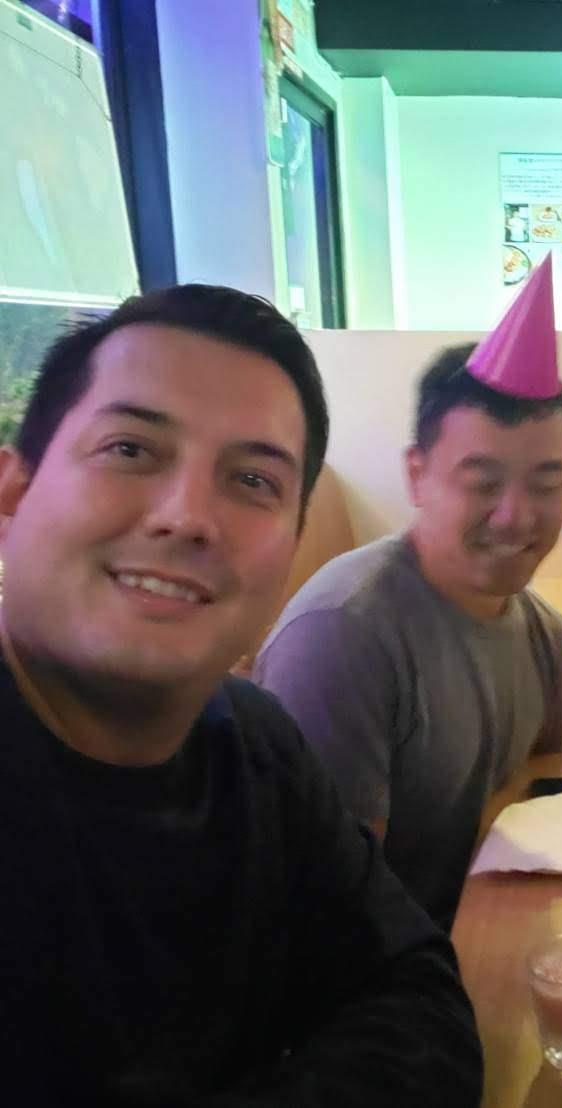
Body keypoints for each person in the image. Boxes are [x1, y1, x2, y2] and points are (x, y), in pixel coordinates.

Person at [0, 285, 481, 1104]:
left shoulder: (254, 742)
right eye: (130, 449)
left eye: (252, 480)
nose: (188, 516)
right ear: (12, 496)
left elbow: (417, 997)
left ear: (292, 545)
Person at [255, 257, 562, 929]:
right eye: (483, 481)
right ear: (417, 475)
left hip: (492, 936)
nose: (516, 515)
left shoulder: (543, 633)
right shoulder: (345, 636)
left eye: (545, 483)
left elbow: (548, 791)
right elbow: (330, 913)